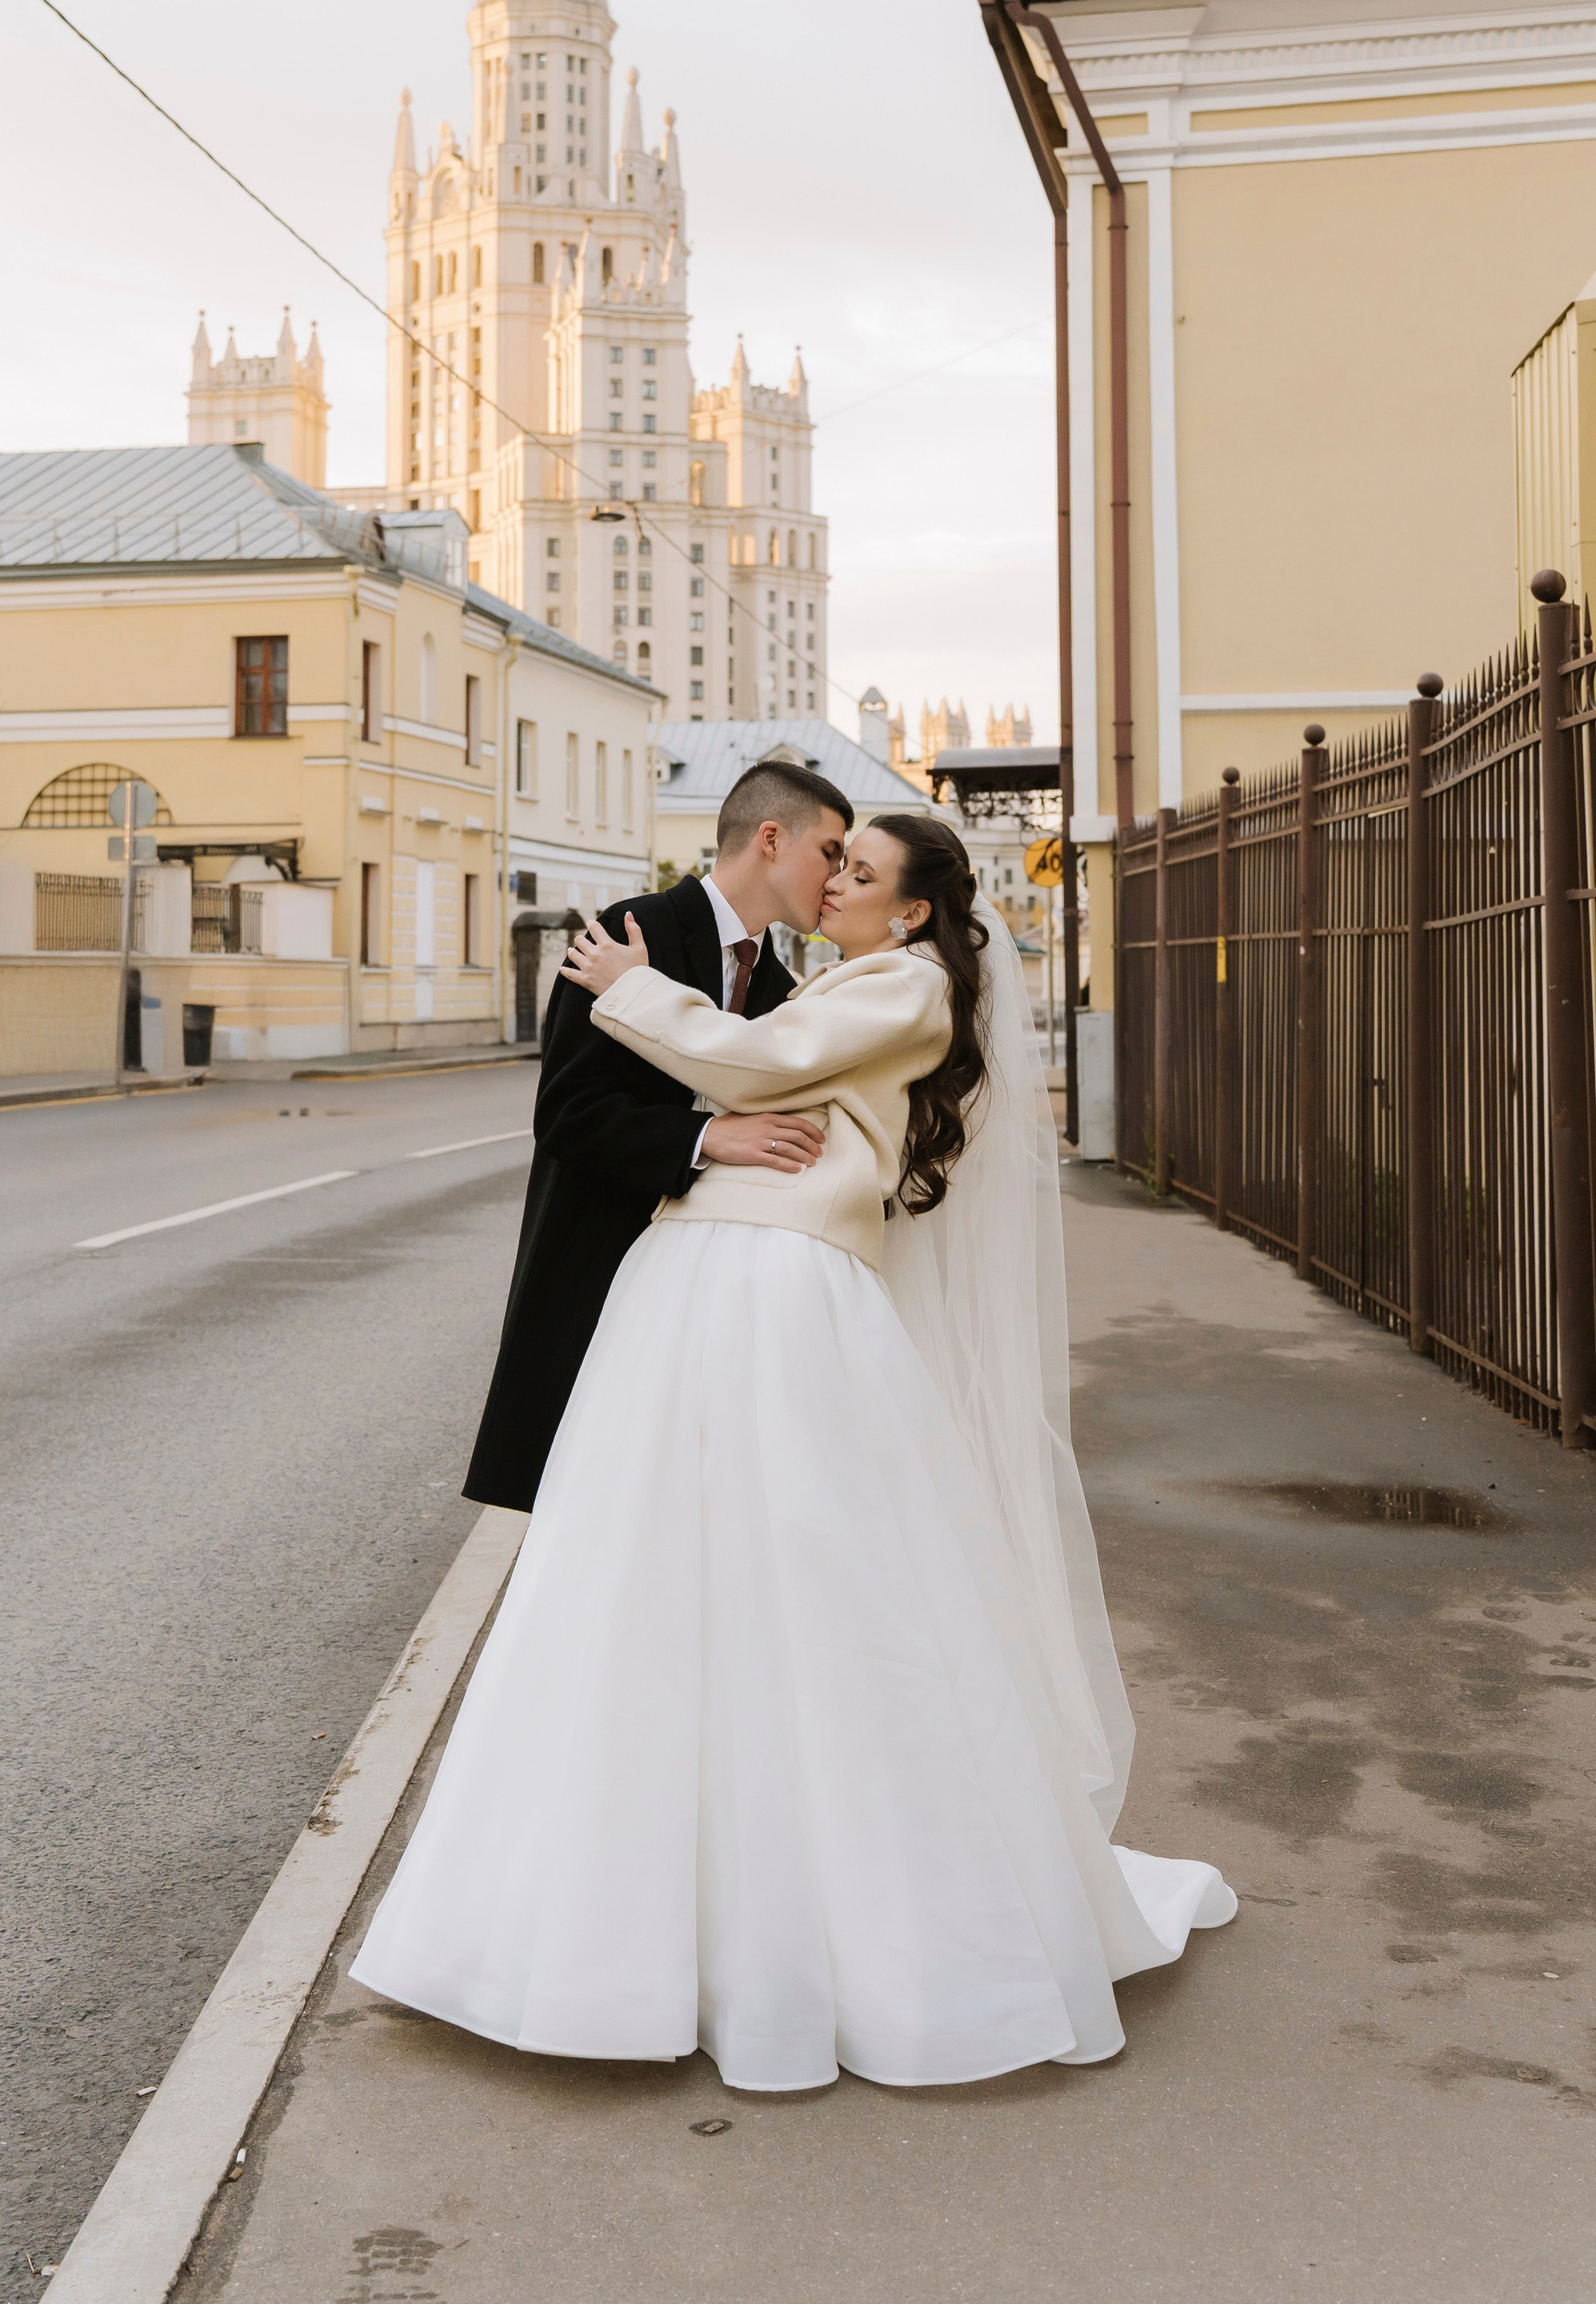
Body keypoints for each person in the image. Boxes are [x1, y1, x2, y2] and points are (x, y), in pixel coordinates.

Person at [353, 811, 1235, 2092]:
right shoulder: (859, 973)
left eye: (863, 873)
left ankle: (803, 1940)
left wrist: (630, 989)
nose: (836, 884)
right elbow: (739, 1082)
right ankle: (631, 1928)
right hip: (713, 1275)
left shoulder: (907, 989)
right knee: (657, 1590)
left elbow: (762, 1064)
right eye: (836, 863)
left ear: (917, 910)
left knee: (806, 1591)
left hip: (778, 1288)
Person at [461, 759, 854, 1513]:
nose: (835, 878)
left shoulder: (778, 989)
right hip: (597, 1267)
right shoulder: (628, 934)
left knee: (687, 1501)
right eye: (830, 853)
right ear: (770, 838)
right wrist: (707, 1139)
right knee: (589, 1498)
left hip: (711, 1293)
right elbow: (568, 1112)